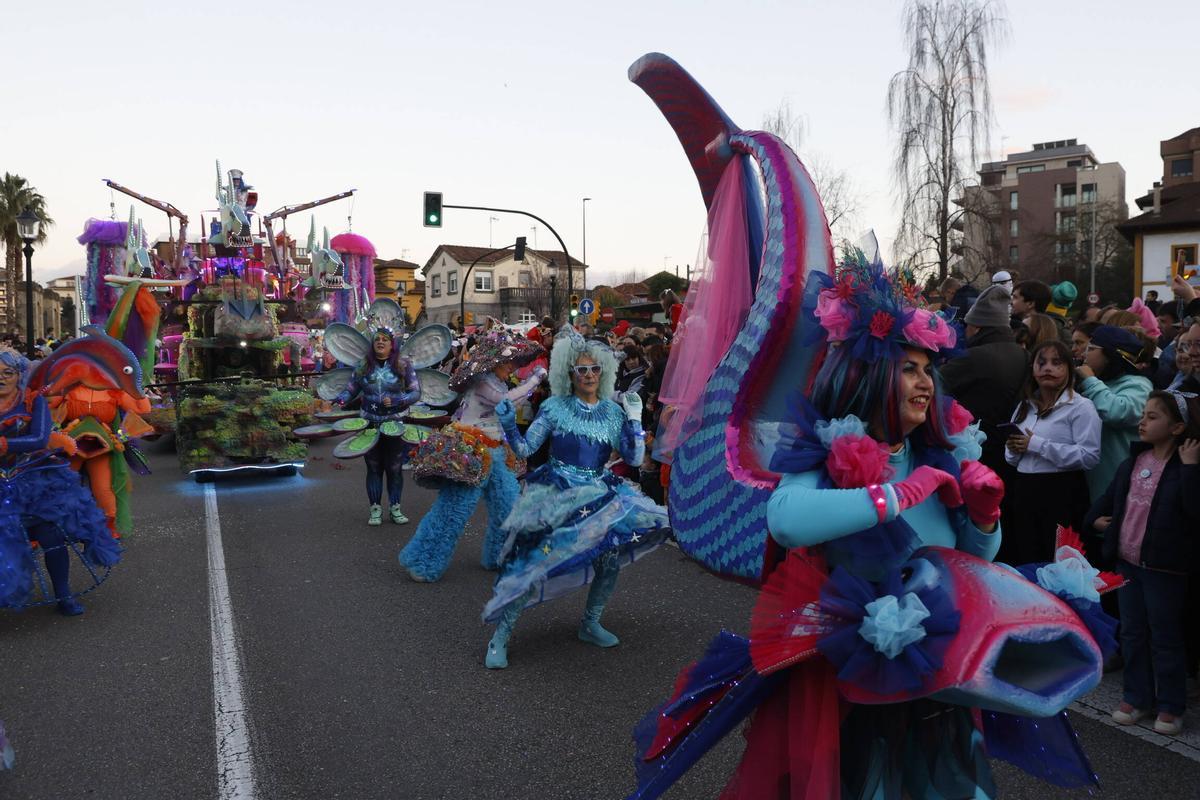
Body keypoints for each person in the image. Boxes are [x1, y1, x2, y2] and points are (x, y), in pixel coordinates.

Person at [483, 329, 669, 668]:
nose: (588, 375)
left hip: (600, 493)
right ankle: (501, 637)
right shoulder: (555, 407)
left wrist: (634, 419)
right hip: (557, 492)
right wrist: (510, 427)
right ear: (569, 373)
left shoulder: (613, 412)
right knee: (532, 564)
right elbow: (525, 449)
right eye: (581, 369)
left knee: (608, 563)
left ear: (604, 372)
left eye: (595, 369)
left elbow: (632, 457)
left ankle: (590, 623)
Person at [1086, 391, 1200, 735]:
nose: (1143, 421)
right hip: (1128, 563)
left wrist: (1193, 468)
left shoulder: (1186, 469)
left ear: (1178, 426)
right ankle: (1136, 697)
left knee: (1165, 636)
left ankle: (1170, 704)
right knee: (1132, 632)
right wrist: (1093, 521)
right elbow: (1108, 499)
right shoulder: (1133, 462)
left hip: (1165, 568)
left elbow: (1195, 511)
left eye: (1153, 416)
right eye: (1144, 415)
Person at [400, 329, 544, 581]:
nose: (512, 366)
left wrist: (529, 384)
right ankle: (422, 560)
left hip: (496, 451)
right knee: (454, 511)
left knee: (509, 506)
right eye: (509, 361)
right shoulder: (483, 382)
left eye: (515, 362)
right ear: (495, 360)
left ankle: (500, 555)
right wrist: (532, 382)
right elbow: (504, 403)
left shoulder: (498, 381)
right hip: (470, 452)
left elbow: (513, 406)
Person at [0, 347, 120, 616]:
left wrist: (7, 444)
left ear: (19, 375)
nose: (2, 378)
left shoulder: (33, 400)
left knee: (51, 537)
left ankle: (64, 595)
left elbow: (40, 439)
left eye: (8, 373)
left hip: (34, 480)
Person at [1003, 340, 1101, 564]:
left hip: (1061, 492)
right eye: (1042, 362)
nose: (1048, 368)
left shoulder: (1081, 406)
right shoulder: (1025, 405)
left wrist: (1036, 445)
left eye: (1057, 363)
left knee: (1058, 560)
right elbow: (1012, 459)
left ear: (1069, 368)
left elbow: (1089, 456)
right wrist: (1014, 449)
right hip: (1024, 488)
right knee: (1027, 555)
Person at [334, 328, 421, 525]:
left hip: (394, 423)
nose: (380, 342)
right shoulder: (363, 365)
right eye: (377, 339)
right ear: (372, 344)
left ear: (392, 344)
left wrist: (399, 400)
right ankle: (375, 510)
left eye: (384, 339)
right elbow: (351, 389)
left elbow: (416, 392)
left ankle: (395, 508)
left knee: (394, 467)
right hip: (369, 423)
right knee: (373, 468)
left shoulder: (403, 364)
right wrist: (340, 399)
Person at [940, 284, 1029, 474]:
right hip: (1012, 452)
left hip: (977, 451)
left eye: (967, 325)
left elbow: (933, 384)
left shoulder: (973, 357)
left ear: (977, 327)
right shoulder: (1023, 354)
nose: (964, 330)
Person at [1076, 325, 1154, 501]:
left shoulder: (1138, 385)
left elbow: (1118, 412)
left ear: (1110, 355)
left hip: (1118, 485)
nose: (1084, 354)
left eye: (1091, 349)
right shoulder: (1098, 383)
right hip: (1088, 481)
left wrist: (1090, 381)